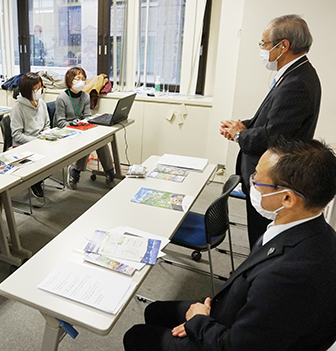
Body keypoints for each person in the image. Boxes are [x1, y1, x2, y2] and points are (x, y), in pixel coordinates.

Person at [124, 138, 336, 351]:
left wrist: (199, 322)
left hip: (227, 335)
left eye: (257, 180)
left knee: (136, 336)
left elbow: (237, 346)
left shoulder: (290, 275)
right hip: (232, 310)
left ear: (287, 198)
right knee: (155, 311)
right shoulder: (305, 227)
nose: (251, 183)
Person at [219, 14, 321, 249]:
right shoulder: (294, 73)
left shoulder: (298, 82)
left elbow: (275, 136)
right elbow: (272, 120)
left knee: (261, 237)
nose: (263, 49)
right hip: (266, 173)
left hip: (274, 178)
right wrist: (243, 125)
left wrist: (239, 135)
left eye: (264, 44)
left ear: (283, 46)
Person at [54, 66, 115, 189]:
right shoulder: (62, 98)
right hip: (68, 131)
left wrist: (85, 123)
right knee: (86, 143)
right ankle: (75, 171)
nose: (81, 81)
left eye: (83, 79)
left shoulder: (85, 96)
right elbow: (60, 122)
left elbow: (87, 115)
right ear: (69, 80)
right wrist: (74, 125)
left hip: (82, 128)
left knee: (101, 140)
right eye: (77, 78)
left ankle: (110, 171)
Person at [10, 72, 49, 198]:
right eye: (36, 88)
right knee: (45, 162)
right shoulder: (18, 107)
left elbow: (47, 125)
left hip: (40, 142)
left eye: (40, 87)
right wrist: (36, 141)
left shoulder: (41, 103)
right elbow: (17, 135)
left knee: (57, 159)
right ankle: (34, 181)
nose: (39, 91)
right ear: (27, 90)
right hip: (23, 146)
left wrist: (46, 136)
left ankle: (36, 180)